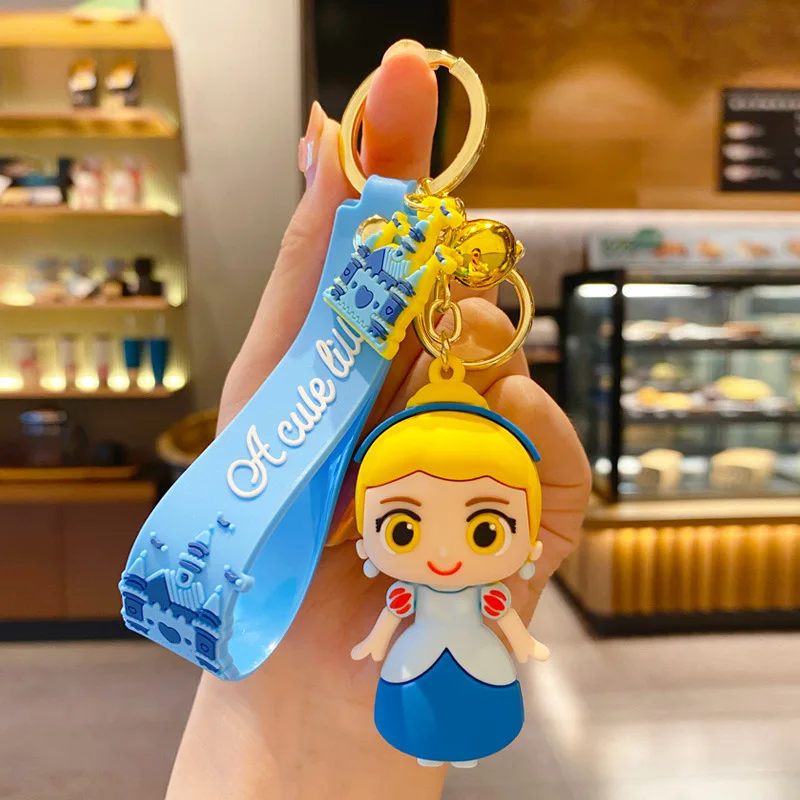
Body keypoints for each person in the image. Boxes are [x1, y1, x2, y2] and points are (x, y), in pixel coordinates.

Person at [166, 39, 591, 800]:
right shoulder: (400, 590)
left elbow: (494, 627)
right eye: (401, 528)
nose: (447, 556)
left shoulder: (467, 594)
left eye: (485, 532)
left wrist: (518, 640)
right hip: (390, 666)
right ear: (364, 528)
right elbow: (386, 629)